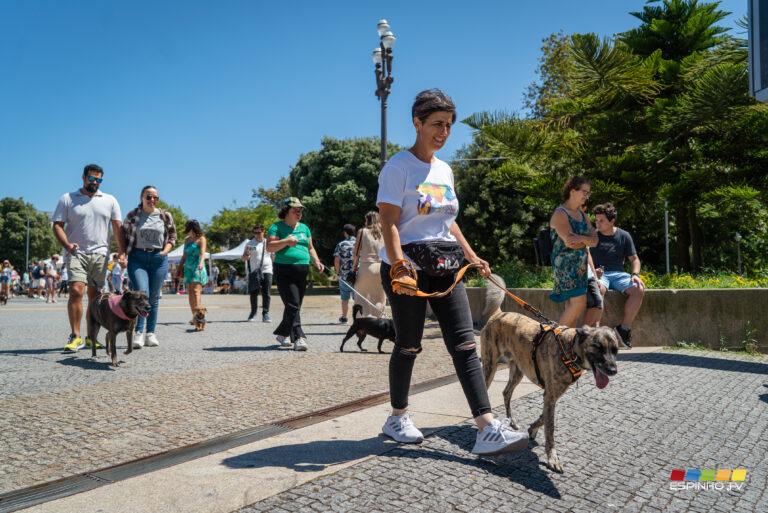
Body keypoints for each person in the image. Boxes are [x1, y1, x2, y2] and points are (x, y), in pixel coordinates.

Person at [376, 89, 528, 454]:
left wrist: (472, 256)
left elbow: (449, 222)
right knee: (409, 345)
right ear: (417, 123)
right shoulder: (398, 166)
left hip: (445, 266)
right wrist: (399, 267)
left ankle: (486, 427)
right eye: (436, 124)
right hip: (407, 268)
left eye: (448, 126)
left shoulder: (445, 169)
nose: (443, 132)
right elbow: (389, 222)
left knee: (463, 344)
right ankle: (397, 417)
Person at [52, 163, 125, 351]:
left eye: (99, 179)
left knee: (96, 298)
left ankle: (92, 336)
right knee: (77, 290)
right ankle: (75, 335)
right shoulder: (68, 198)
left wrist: (122, 252)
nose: (95, 182)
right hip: (76, 252)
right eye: (92, 178)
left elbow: (118, 228)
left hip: (101, 254)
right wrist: (67, 245)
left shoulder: (110, 200)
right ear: (83, 177)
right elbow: (57, 225)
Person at [266, 197, 324, 351]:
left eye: (300, 210)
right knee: (292, 304)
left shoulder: (304, 228)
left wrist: (316, 261)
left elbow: (310, 247)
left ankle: (282, 334)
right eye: (295, 210)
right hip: (284, 269)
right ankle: (299, 337)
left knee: (295, 305)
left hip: (302, 270)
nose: (299, 213)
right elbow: (270, 247)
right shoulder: (275, 227)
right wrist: (285, 241)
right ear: (286, 211)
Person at [121, 185, 176, 348]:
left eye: (155, 197)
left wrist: (165, 251)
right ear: (141, 197)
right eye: (149, 197)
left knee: (153, 297)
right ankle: (138, 332)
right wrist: (122, 255)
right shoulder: (132, 215)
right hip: (137, 257)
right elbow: (123, 238)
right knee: (141, 293)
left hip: (159, 258)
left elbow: (172, 236)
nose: (152, 200)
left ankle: (150, 333)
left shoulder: (165, 215)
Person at [588, 202, 644, 348]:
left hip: (619, 274)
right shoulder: (593, 236)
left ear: (612, 221)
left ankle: (624, 329)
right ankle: (596, 334)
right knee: (597, 289)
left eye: (601, 221)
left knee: (638, 288)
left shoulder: (624, 236)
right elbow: (585, 257)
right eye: (596, 220)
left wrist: (635, 274)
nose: (598, 224)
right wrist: (594, 271)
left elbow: (634, 259)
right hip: (601, 274)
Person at [549, 176, 598, 327]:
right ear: (572, 191)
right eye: (584, 191)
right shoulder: (560, 213)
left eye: (588, 193)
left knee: (573, 308)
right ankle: (555, 339)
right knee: (578, 304)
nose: (586, 195)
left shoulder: (582, 214)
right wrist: (585, 240)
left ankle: (564, 346)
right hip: (565, 268)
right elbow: (570, 243)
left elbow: (595, 240)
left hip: (580, 268)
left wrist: (580, 238)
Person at [352, 211, 387, 318]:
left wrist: (353, 269)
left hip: (366, 267)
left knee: (361, 296)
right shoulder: (384, 232)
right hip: (381, 267)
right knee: (380, 297)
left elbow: (356, 253)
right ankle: (379, 321)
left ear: (367, 220)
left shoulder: (363, 232)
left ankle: (363, 323)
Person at [242, 224, 273, 322]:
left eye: (259, 232)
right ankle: (253, 313)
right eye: (255, 232)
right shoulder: (250, 244)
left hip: (267, 270)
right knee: (253, 293)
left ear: (263, 231)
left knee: (266, 293)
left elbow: (273, 256)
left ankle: (265, 313)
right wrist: (247, 254)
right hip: (254, 271)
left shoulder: (268, 242)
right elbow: (244, 258)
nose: (257, 234)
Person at [179, 220, 207, 324]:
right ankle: (194, 317)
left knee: (196, 292)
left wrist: (201, 263)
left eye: (187, 227)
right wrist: (180, 267)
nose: (186, 229)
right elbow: (184, 255)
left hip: (197, 267)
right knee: (190, 292)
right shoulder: (187, 240)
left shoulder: (201, 239)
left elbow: (203, 253)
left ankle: (200, 317)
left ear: (192, 228)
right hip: (188, 268)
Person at [333, 224, 357, 323]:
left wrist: (337, 272)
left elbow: (337, 260)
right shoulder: (359, 243)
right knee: (358, 298)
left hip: (344, 275)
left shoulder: (341, 244)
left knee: (345, 298)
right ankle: (359, 318)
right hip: (358, 274)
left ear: (345, 232)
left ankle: (344, 317)